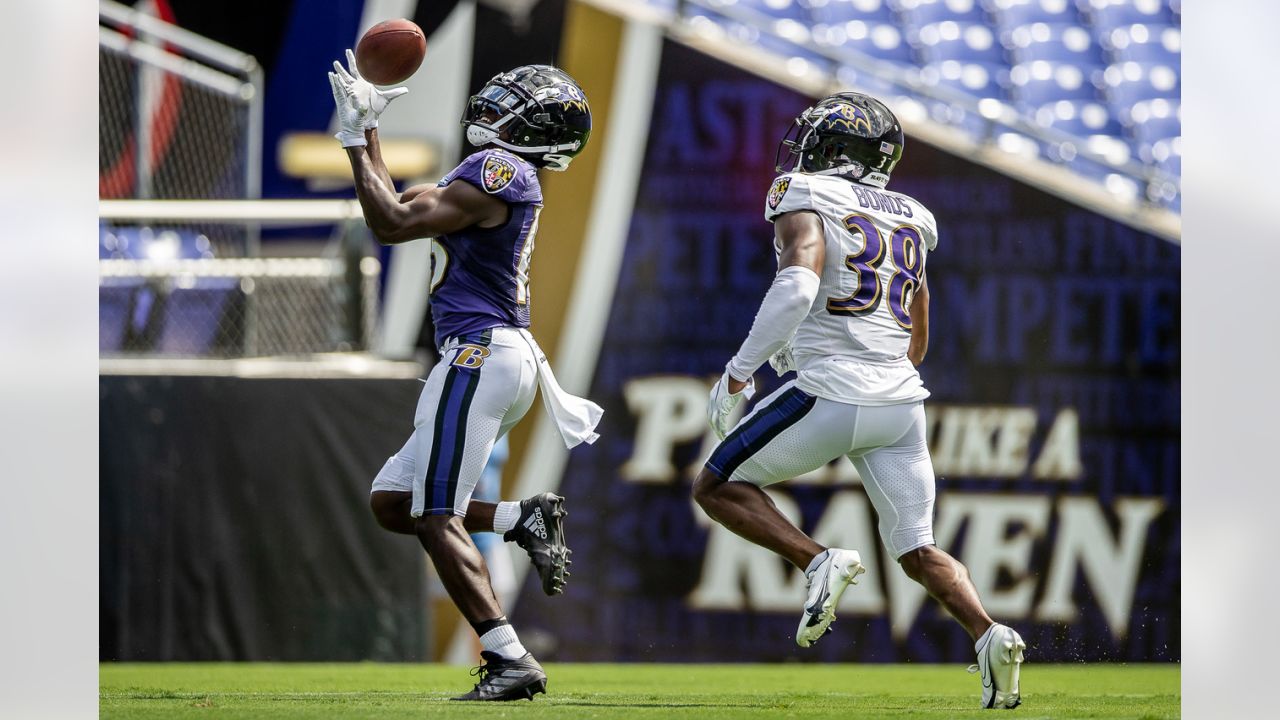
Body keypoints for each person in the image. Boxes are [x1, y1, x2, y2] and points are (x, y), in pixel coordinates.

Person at [692, 92, 1026, 710]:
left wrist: (740, 373)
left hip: (828, 387)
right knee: (918, 548)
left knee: (716, 486)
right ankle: (989, 633)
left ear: (837, 150)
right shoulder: (912, 215)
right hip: (902, 402)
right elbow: (917, 341)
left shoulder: (806, 192)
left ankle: (817, 560)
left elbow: (796, 286)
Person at [328, 55, 602, 702]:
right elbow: (399, 204)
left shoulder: (496, 170)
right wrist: (368, 131)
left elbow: (389, 224)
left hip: (481, 354)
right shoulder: (490, 174)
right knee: (393, 503)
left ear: (532, 129)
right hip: (494, 355)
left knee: (433, 513)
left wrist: (350, 139)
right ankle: (521, 518)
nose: (493, 100)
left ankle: (509, 659)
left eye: (511, 99)